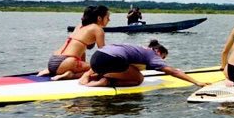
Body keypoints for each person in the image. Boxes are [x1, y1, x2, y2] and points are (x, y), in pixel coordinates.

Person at [79, 39, 207, 87]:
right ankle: (105, 82)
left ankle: (87, 75)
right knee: (138, 79)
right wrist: (196, 82)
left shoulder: (138, 48)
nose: (162, 61)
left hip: (96, 58)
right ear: (158, 51)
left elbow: (109, 51)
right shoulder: (152, 55)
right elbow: (173, 71)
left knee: (128, 67)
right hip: (110, 60)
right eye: (163, 57)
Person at [38, 5, 109, 80]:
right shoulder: (97, 29)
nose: (109, 20)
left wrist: (83, 65)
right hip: (67, 62)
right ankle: (71, 75)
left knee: (89, 66)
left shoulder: (80, 26)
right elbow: (103, 53)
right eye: (107, 17)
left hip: (52, 61)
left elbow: (82, 50)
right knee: (100, 69)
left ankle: (53, 71)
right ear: (99, 18)